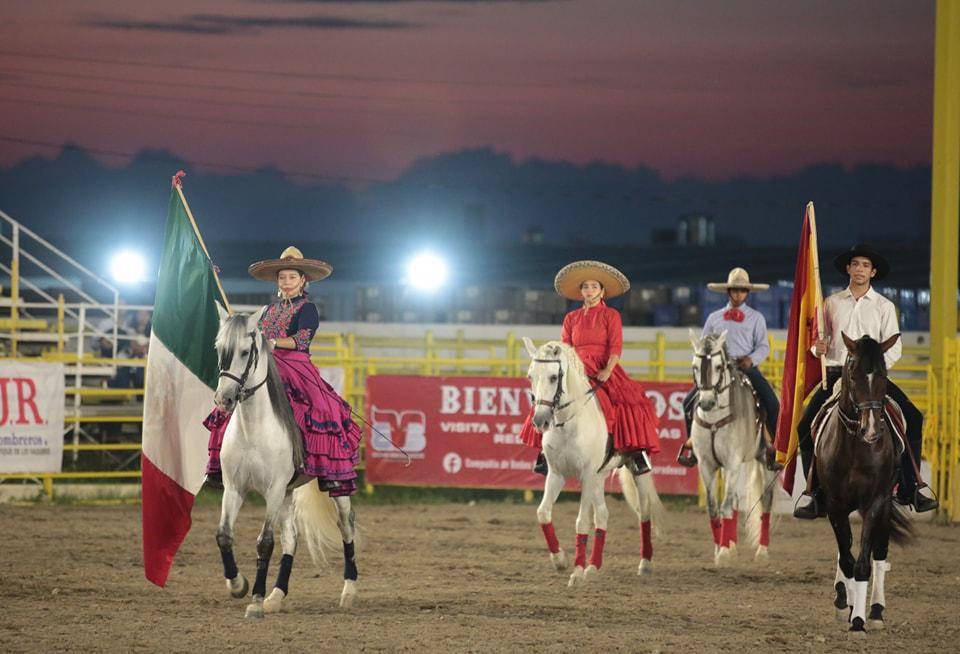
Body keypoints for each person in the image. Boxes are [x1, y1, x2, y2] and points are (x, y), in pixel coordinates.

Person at [793, 244, 938, 518]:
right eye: (855, 264)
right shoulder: (830, 303)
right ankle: (814, 492)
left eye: (865, 265)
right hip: (837, 374)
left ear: (873, 272)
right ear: (848, 269)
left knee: (914, 418)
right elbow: (816, 342)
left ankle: (910, 487)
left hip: (872, 379)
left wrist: (875, 371)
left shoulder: (884, 306)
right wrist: (817, 348)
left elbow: (894, 346)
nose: (860, 269)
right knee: (804, 426)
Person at [204, 246, 361, 496]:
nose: (286, 282)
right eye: (282, 277)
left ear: (302, 280)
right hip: (267, 362)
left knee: (322, 407)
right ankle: (220, 466)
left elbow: (303, 339)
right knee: (226, 402)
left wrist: (275, 342)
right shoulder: (268, 310)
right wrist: (213, 284)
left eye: (292, 277)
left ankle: (326, 471)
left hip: (296, 365)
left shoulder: (307, 308)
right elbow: (246, 331)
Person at [520, 260, 660, 475]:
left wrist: (608, 371)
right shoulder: (571, 318)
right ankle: (545, 452)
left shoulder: (611, 315)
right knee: (547, 398)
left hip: (602, 367)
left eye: (594, 286)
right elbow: (564, 347)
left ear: (602, 291)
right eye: (585, 286)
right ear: (581, 291)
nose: (589, 290)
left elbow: (615, 346)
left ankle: (634, 452)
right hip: (574, 368)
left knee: (626, 402)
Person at [677, 268, 782, 470]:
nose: (738, 295)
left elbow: (763, 345)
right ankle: (693, 443)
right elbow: (704, 344)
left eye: (742, 291)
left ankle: (773, 447)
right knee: (687, 402)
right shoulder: (714, 318)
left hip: (746, 368)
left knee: (772, 402)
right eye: (735, 290)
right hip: (718, 370)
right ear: (728, 292)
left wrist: (751, 360)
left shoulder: (756, 318)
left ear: (747, 293)